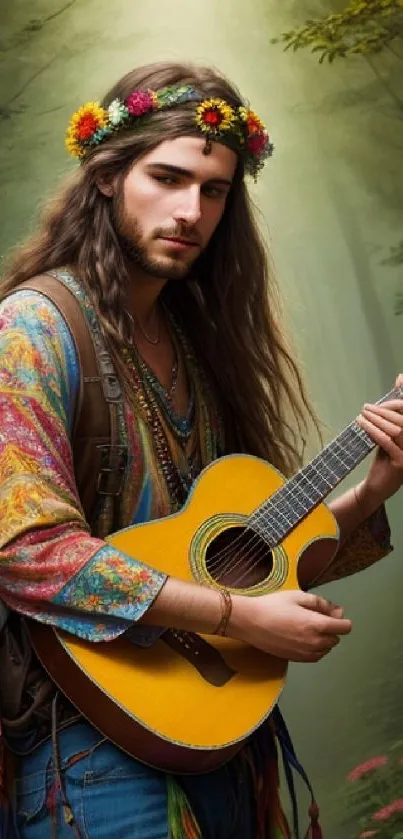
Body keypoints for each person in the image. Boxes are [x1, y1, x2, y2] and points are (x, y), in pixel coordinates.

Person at [0, 61, 402, 839]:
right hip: (89, 751)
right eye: (168, 177)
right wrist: (235, 619)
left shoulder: (196, 348)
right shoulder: (32, 332)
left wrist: (373, 489)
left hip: (218, 736)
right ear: (106, 174)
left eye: (214, 190)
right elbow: (25, 549)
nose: (190, 209)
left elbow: (250, 562)